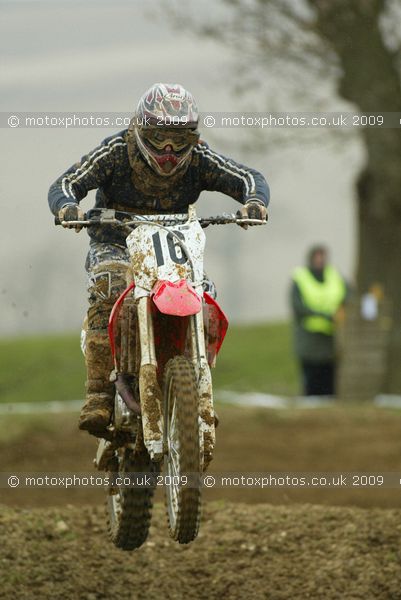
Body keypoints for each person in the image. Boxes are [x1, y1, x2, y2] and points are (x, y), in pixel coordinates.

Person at [48, 83, 269, 437]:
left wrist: (254, 202)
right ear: (141, 130)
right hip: (115, 240)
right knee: (110, 288)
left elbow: (247, 177)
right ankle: (99, 395)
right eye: (160, 138)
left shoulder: (199, 158)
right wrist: (67, 207)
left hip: (175, 242)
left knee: (204, 292)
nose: (168, 150)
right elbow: (66, 183)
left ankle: (195, 384)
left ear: (193, 138)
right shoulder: (117, 151)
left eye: (179, 140)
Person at [290, 245, 348, 396]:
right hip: (309, 337)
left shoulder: (334, 275)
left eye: (322, 256)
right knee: (311, 378)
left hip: (331, 336)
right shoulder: (300, 277)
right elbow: (298, 307)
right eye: (317, 257)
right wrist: (324, 315)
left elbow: (348, 294)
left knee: (329, 378)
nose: (320, 260)